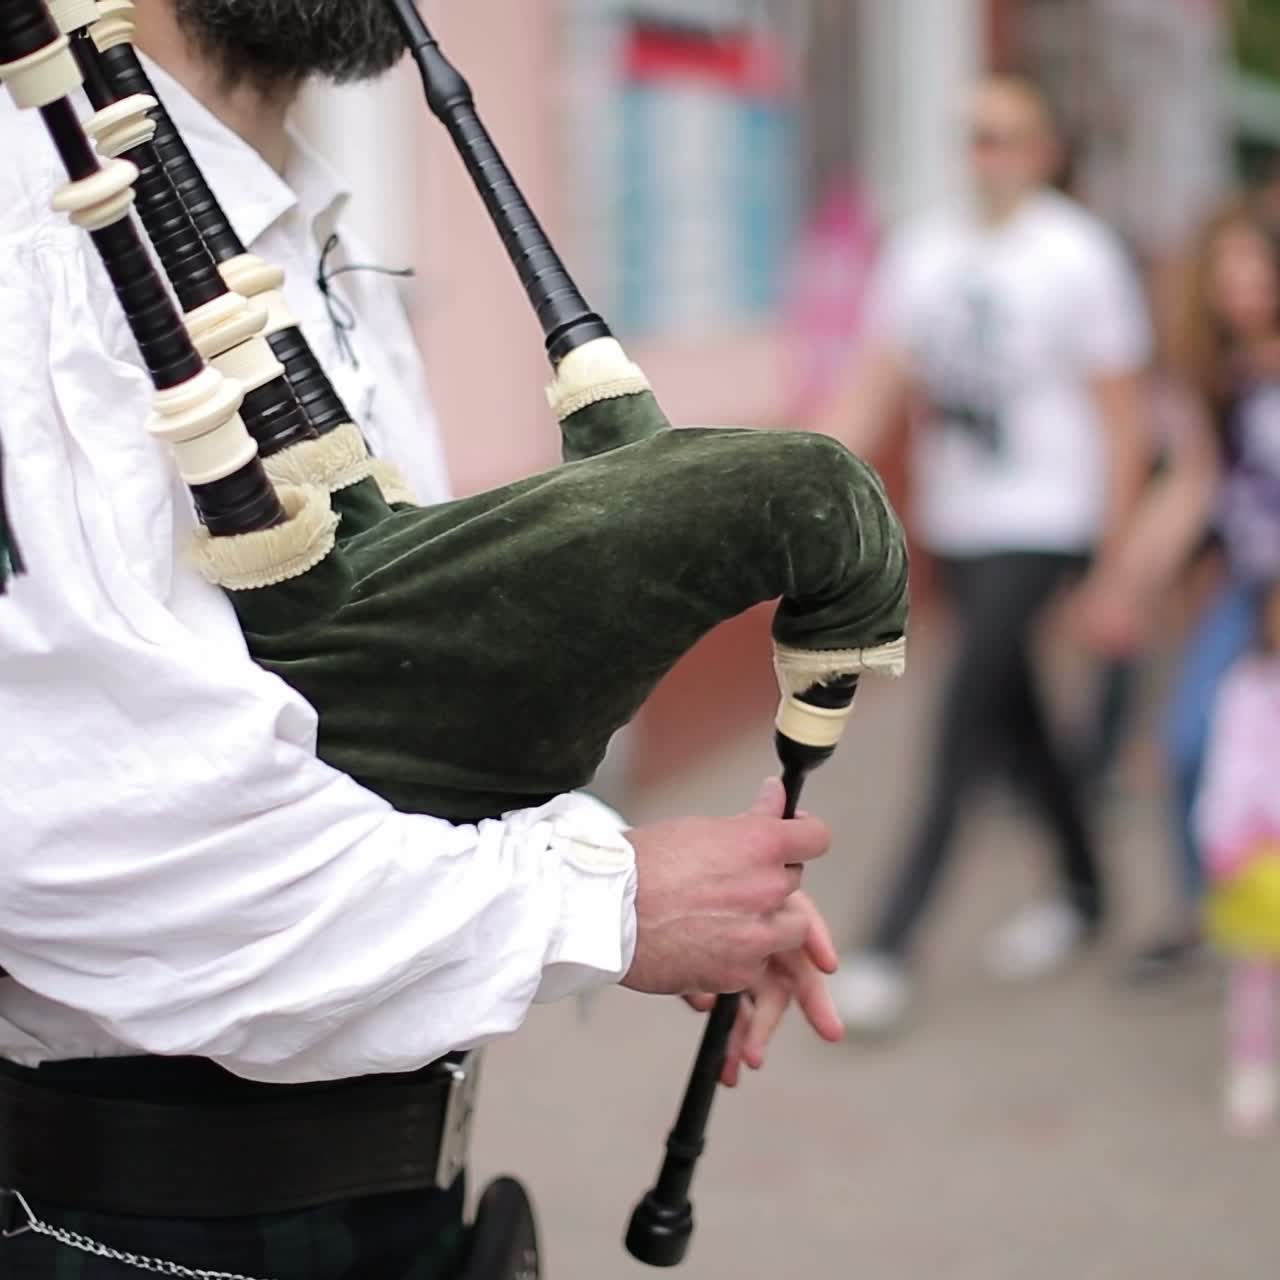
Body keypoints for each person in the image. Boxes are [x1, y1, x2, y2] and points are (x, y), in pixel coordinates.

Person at [0, 2, 843, 1275]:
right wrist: (606, 900)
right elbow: (78, 833)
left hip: (396, 1206)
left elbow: (388, 736)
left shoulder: (312, 237)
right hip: (140, 1221)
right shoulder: (41, 246)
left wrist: (651, 880)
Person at [818, 74, 1152, 1034]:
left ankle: (885, 946)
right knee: (1022, 722)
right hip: (959, 522)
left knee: (963, 719)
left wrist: (1119, 566)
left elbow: (1122, 417)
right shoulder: (925, 251)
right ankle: (1087, 893)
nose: (988, 153)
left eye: (1006, 136)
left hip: (1048, 519)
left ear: (1044, 150)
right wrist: (796, 465)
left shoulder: (1079, 255)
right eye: (973, 136)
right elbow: (876, 380)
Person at [1114, 204, 1280, 983]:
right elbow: (1194, 483)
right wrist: (1122, 579)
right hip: (1249, 590)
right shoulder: (1217, 380)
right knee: (1186, 747)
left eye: (1258, 268)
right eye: (1229, 273)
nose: (1244, 288)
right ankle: (1204, 913)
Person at [1196, 577, 1280, 1135]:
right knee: (1258, 976)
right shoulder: (1249, 690)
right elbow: (1227, 773)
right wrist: (1221, 837)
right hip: (1261, 856)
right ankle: (1254, 1064)